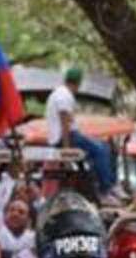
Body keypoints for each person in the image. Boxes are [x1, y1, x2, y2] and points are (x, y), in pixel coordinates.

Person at [44, 67, 118, 202]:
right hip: (66, 137)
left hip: (69, 135)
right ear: (78, 83)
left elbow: (68, 119)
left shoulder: (58, 94)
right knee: (100, 150)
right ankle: (106, 189)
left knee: (104, 147)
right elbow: (64, 122)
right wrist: (66, 149)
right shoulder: (64, 95)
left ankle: (104, 183)